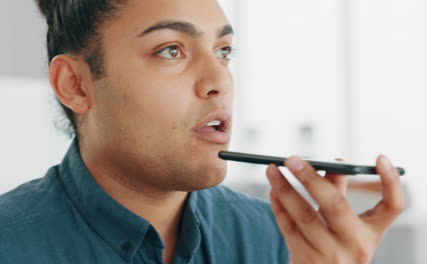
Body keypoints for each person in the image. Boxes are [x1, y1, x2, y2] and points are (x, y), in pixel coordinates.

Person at [0, 0, 406, 263]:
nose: (220, 80)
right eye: (171, 50)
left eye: (223, 51)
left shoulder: (278, 240)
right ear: (76, 84)